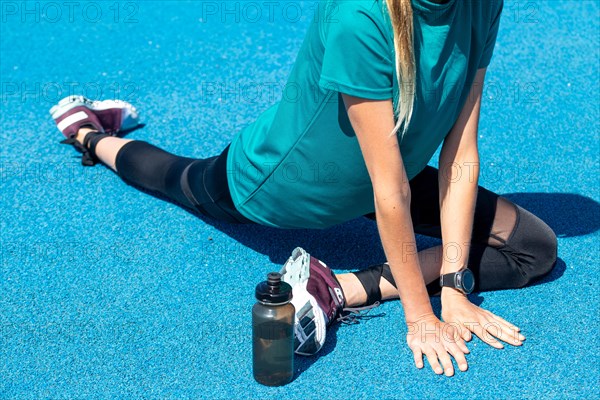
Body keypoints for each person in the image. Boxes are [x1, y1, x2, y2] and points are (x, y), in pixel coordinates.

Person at [50, 0, 558, 376]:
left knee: (533, 247)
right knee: (180, 178)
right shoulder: (360, 17)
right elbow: (389, 193)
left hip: (389, 172)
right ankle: (90, 134)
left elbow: (460, 153)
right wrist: (420, 313)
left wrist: (454, 286)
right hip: (288, 179)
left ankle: (337, 287)